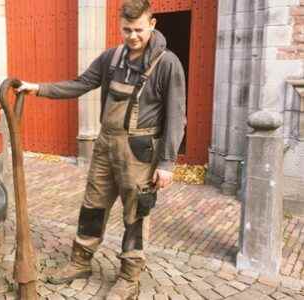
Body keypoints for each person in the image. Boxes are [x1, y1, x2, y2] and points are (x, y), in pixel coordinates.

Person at [16, 0, 186, 299]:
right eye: (126, 29)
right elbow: (80, 84)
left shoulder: (168, 64)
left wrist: (168, 163)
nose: (132, 36)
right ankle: (80, 262)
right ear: (119, 26)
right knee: (92, 206)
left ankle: (129, 278)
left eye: (138, 30)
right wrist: (38, 88)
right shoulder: (112, 58)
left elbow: (176, 115)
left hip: (139, 151)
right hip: (105, 145)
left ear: (152, 24)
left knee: (136, 214)